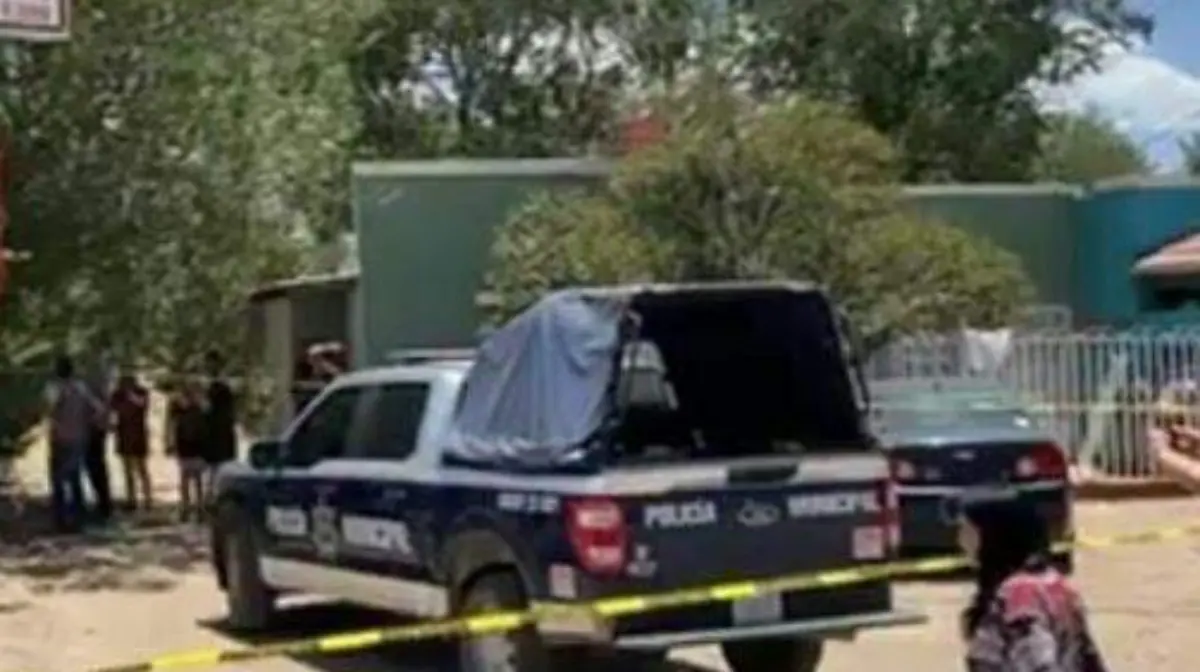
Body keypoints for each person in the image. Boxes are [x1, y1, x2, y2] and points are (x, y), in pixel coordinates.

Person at [959, 494, 1107, 672]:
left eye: (970, 533)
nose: (961, 541)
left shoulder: (1020, 595)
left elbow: (1038, 662)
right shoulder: (1051, 583)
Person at [44, 355, 103, 531]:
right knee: (75, 477)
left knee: (59, 479)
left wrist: (56, 423)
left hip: (60, 439)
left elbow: (50, 409)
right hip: (79, 437)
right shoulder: (81, 388)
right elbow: (98, 409)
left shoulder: (55, 388)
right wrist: (87, 423)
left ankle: (61, 519)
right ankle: (78, 517)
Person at [110, 373, 153, 512]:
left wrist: (130, 395)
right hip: (123, 433)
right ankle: (131, 499)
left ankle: (148, 499)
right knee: (127, 469)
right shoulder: (117, 394)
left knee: (141, 468)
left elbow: (143, 404)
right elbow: (113, 410)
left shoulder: (141, 392)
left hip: (138, 433)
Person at [166, 382, 207, 522]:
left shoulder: (187, 409)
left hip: (192, 446)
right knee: (191, 478)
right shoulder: (197, 409)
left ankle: (191, 508)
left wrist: (170, 443)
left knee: (191, 478)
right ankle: (192, 508)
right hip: (189, 446)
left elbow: (172, 426)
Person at [81, 355, 114, 522]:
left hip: (95, 429)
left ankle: (104, 505)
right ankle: (102, 503)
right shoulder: (101, 380)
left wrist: (96, 420)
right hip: (94, 427)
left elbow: (101, 407)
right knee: (94, 466)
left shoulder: (98, 383)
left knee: (96, 465)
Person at [202, 350, 238, 491]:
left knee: (221, 466)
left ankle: (218, 492)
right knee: (212, 467)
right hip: (211, 430)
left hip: (221, 430)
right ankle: (211, 491)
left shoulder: (222, 383)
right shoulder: (209, 382)